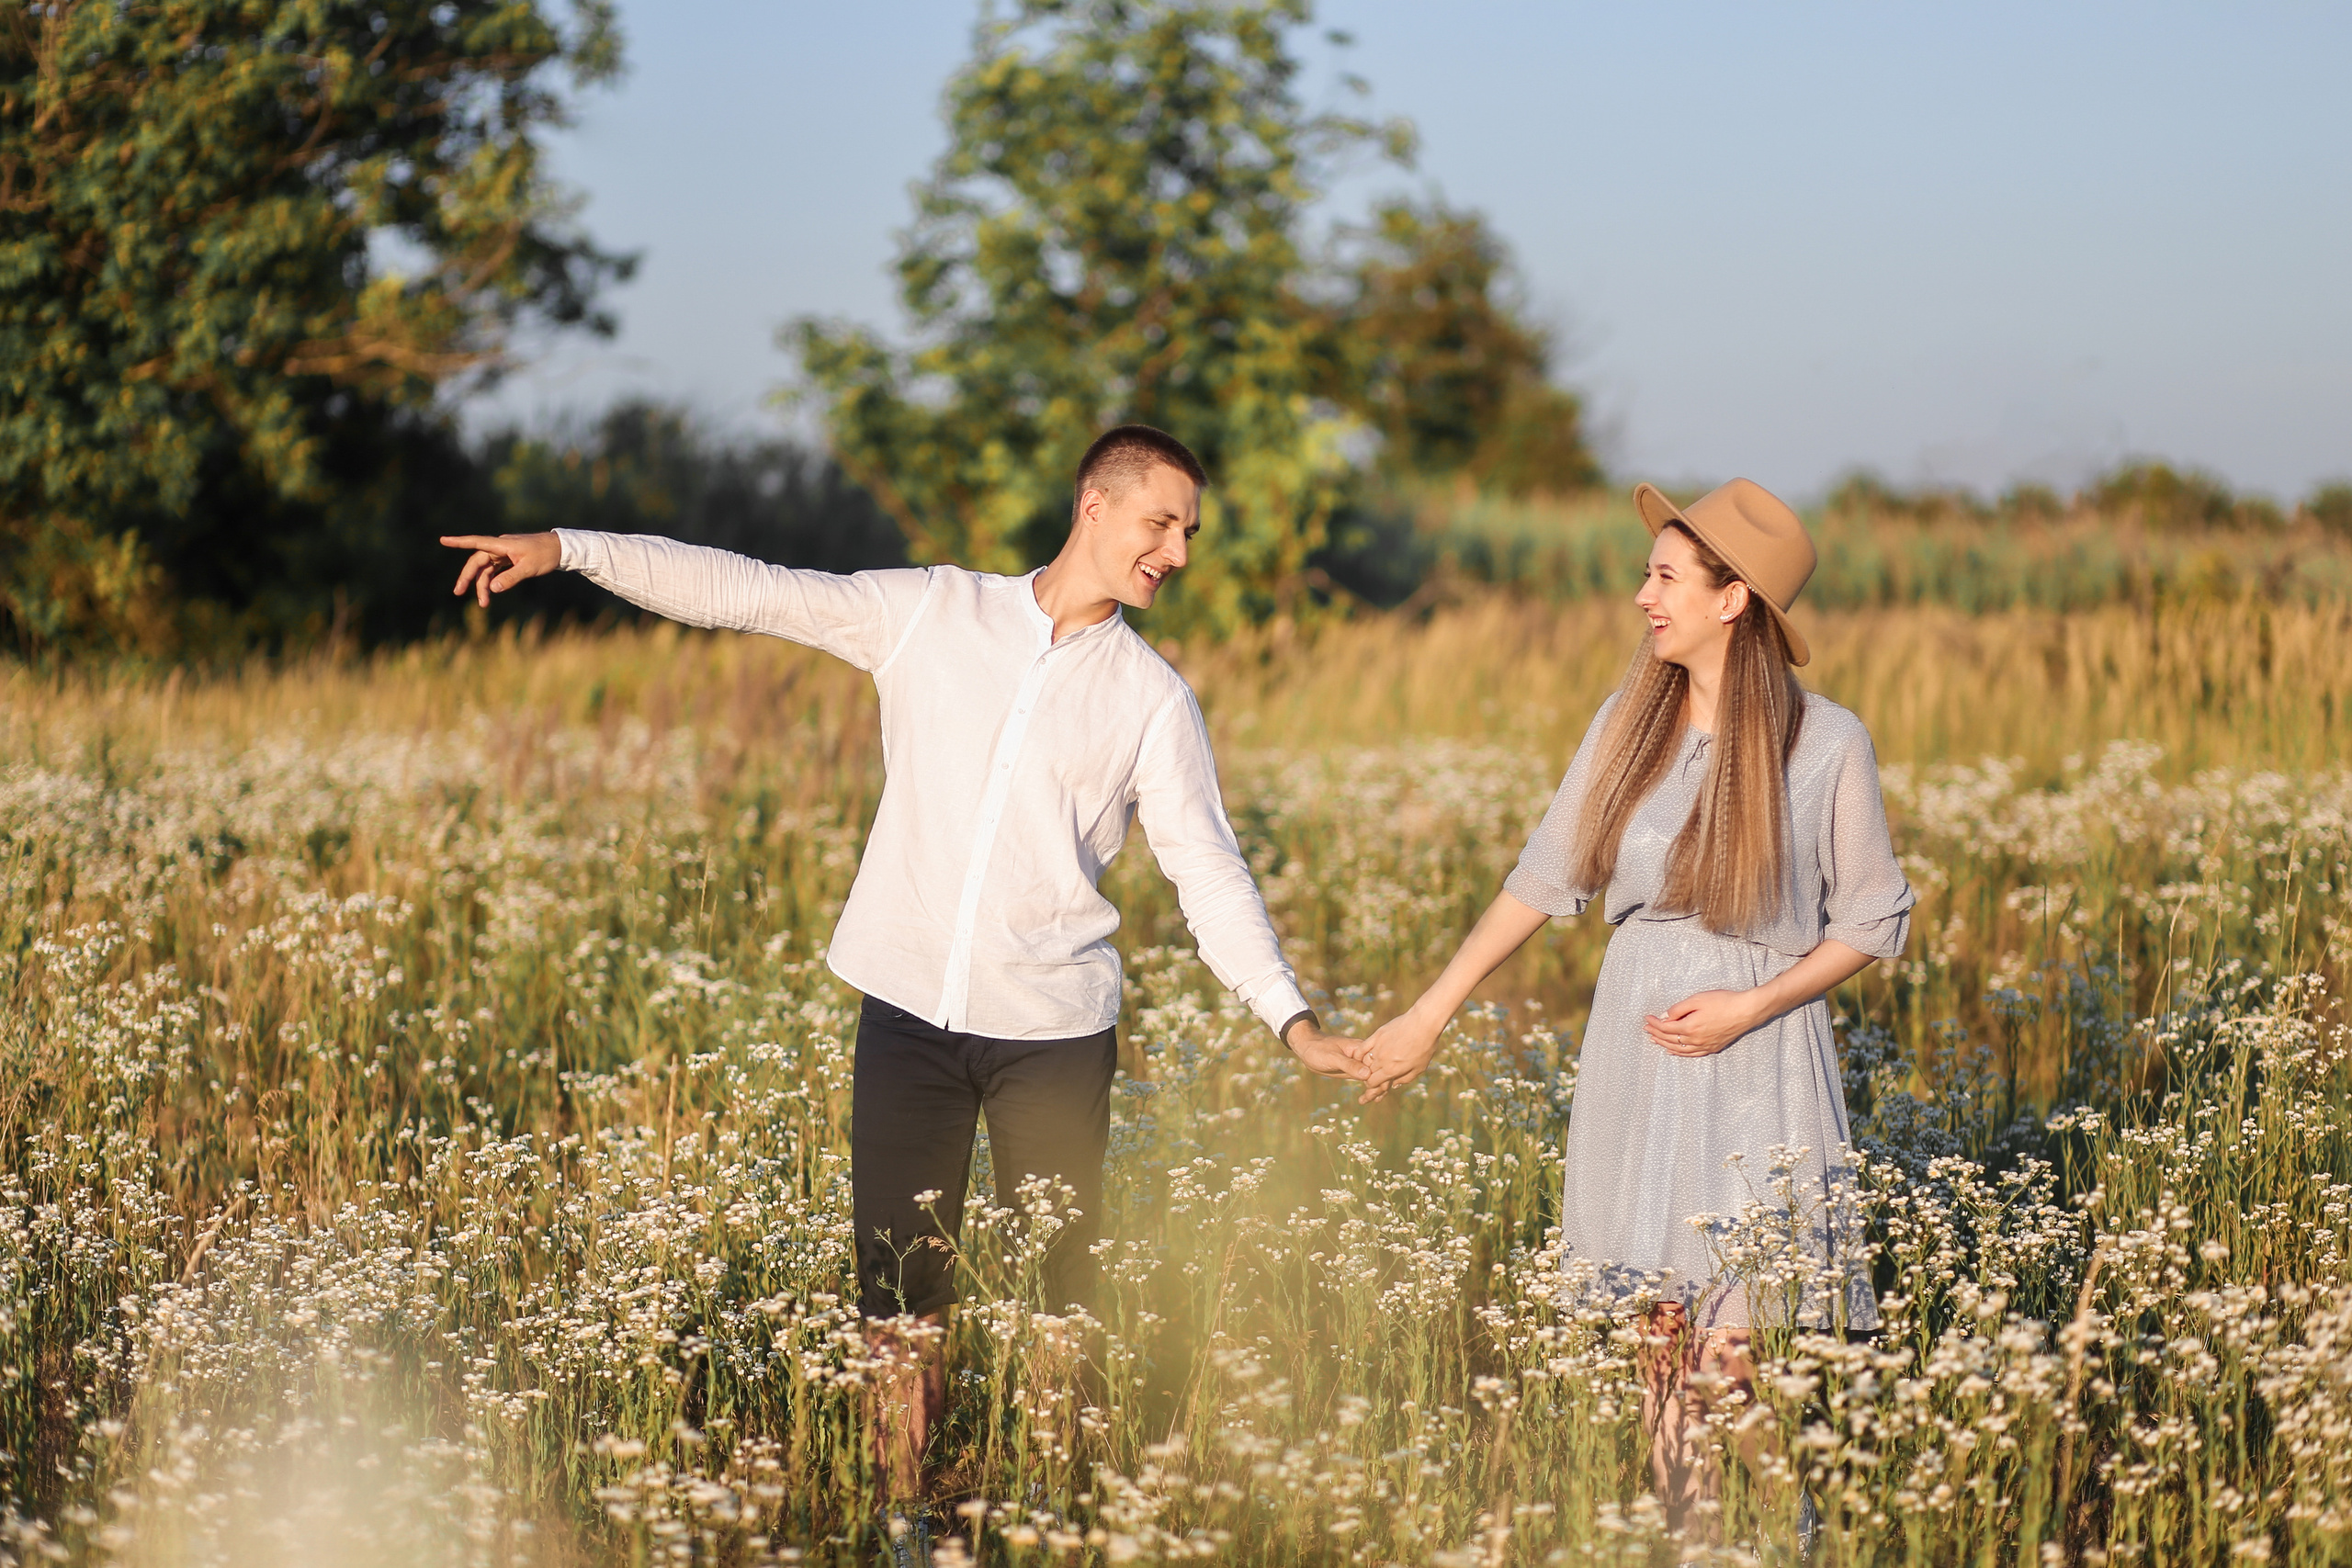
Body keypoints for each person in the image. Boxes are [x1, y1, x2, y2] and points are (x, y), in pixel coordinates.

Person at [442, 424, 1365, 1540]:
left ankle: (1042, 1521)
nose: (1176, 552)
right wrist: (566, 548)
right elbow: (750, 591)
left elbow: (1206, 871)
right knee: (896, 1296)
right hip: (907, 1019)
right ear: (1094, 505)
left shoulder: (1151, 699)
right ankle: (900, 1525)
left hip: (1053, 1033)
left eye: (1189, 534)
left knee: (1055, 1301)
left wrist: (1291, 1021)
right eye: (1161, 523)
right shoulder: (935, 611)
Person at [1351, 478, 1913, 1536]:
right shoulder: (1627, 723)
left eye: (1664, 577)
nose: (1642, 596)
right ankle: (1693, 1542)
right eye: (1646, 574)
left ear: (1732, 598)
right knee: (1661, 1338)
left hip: (1754, 1053)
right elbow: (1542, 879)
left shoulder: (1827, 741)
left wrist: (1753, 1004)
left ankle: (1799, 1535)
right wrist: (1428, 1014)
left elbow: (1872, 918)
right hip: (1639, 1046)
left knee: (1726, 1352)